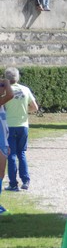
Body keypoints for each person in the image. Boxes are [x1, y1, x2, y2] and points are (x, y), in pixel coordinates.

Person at [4, 67, 38, 191]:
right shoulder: (25, 89)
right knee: (22, 153)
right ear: (17, 77)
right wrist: (25, 111)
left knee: (11, 155)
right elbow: (35, 107)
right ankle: (25, 180)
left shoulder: (5, 91)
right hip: (23, 125)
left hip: (10, 126)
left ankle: (13, 183)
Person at [0, 78, 14, 215]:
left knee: (1, 174)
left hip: (3, 142)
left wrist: (7, 143)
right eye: (1, 86)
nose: (3, 88)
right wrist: (7, 82)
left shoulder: (2, 105)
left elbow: (4, 126)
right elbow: (11, 95)